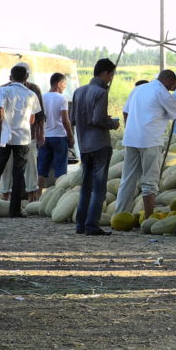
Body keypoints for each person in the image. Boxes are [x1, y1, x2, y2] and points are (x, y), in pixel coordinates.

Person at [114, 70, 176, 219]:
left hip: (131, 140)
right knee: (150, 181)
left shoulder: (138, 89)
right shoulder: (162, 93)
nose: (174, 87)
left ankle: (119, 215)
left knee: (128, 179)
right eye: (174, 83)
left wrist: (131, 129)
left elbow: (126, 112)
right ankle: (149, 218)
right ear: (170, 80)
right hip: (150, 141)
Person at [0, 65, 41, 218]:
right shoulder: (32, 94)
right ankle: (15, 211)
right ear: (26, 79)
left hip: (5, 137)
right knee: (18, 174)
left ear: (10, 77)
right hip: (23, 138)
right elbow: (33, 118)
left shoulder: (4, 91)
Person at [70, 59, 121, 235]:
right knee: (99, 188)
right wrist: (112, 123)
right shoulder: (100, 92)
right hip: (99, 145)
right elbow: (98, 119)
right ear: (105, 73)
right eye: (111, 75)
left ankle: (80, 225)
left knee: (86, 186)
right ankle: (92, 225)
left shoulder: (78, 91)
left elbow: (73, 120)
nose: (111, 78)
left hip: (84, 145)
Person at [0, 62, 45, 202]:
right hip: (24, 134)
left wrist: (39, 134)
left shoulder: (5, 89)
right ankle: (8, 195)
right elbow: (36, 116)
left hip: (12, 135)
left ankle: (28, 195)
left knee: (24, 166)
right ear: (26, 76)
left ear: (11, 76)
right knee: (21, 166)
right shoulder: (30, 92)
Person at [36, 72, 74, 200]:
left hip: (45, 137)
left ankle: (38, 195)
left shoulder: (42, 97)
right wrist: (71, 135)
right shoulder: (62, 99)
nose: (65, 87)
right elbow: (65, 120)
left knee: (42, 169)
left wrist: (40, 134)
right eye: (64, 84)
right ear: (58, 84)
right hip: (59, 137)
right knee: (60, 169)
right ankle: (58, 197)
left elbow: (39, 118)